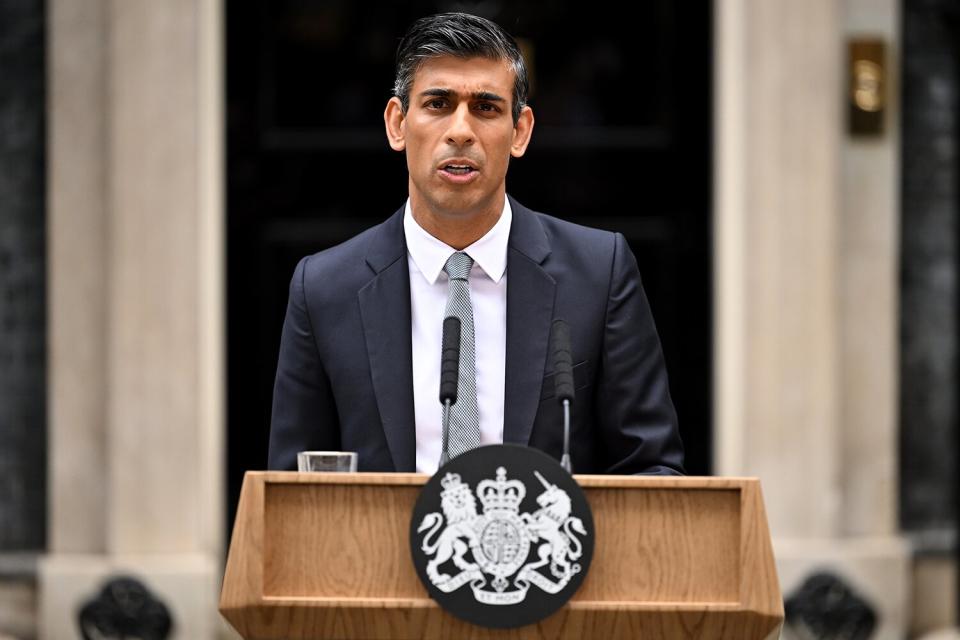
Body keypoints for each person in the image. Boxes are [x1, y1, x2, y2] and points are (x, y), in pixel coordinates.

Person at [267, 12, 684, 475]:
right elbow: (292, 492)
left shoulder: (599, 273)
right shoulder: (324, 288)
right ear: (397, 124)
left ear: (520, 131)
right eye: (438, 104)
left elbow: (653, 471)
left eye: (485, 107)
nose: (461, 131)